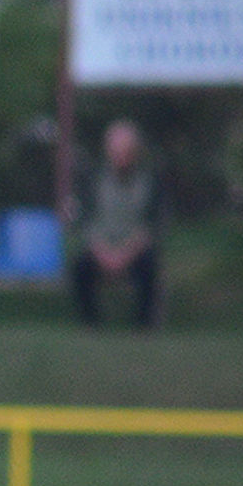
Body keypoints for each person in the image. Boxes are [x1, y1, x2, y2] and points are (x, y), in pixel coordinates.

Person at [68, 119, 164, 329]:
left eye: (126, 152)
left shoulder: (150, 182)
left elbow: (154, 225)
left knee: (149, 265)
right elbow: (84, 221)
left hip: (135, 249)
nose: (121, 157)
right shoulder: (93, 180)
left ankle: (144, 325)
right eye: (116, 151)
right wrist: (102, 252)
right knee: (80, 267)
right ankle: (90, 322)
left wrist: (127, 253)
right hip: (100, 248)